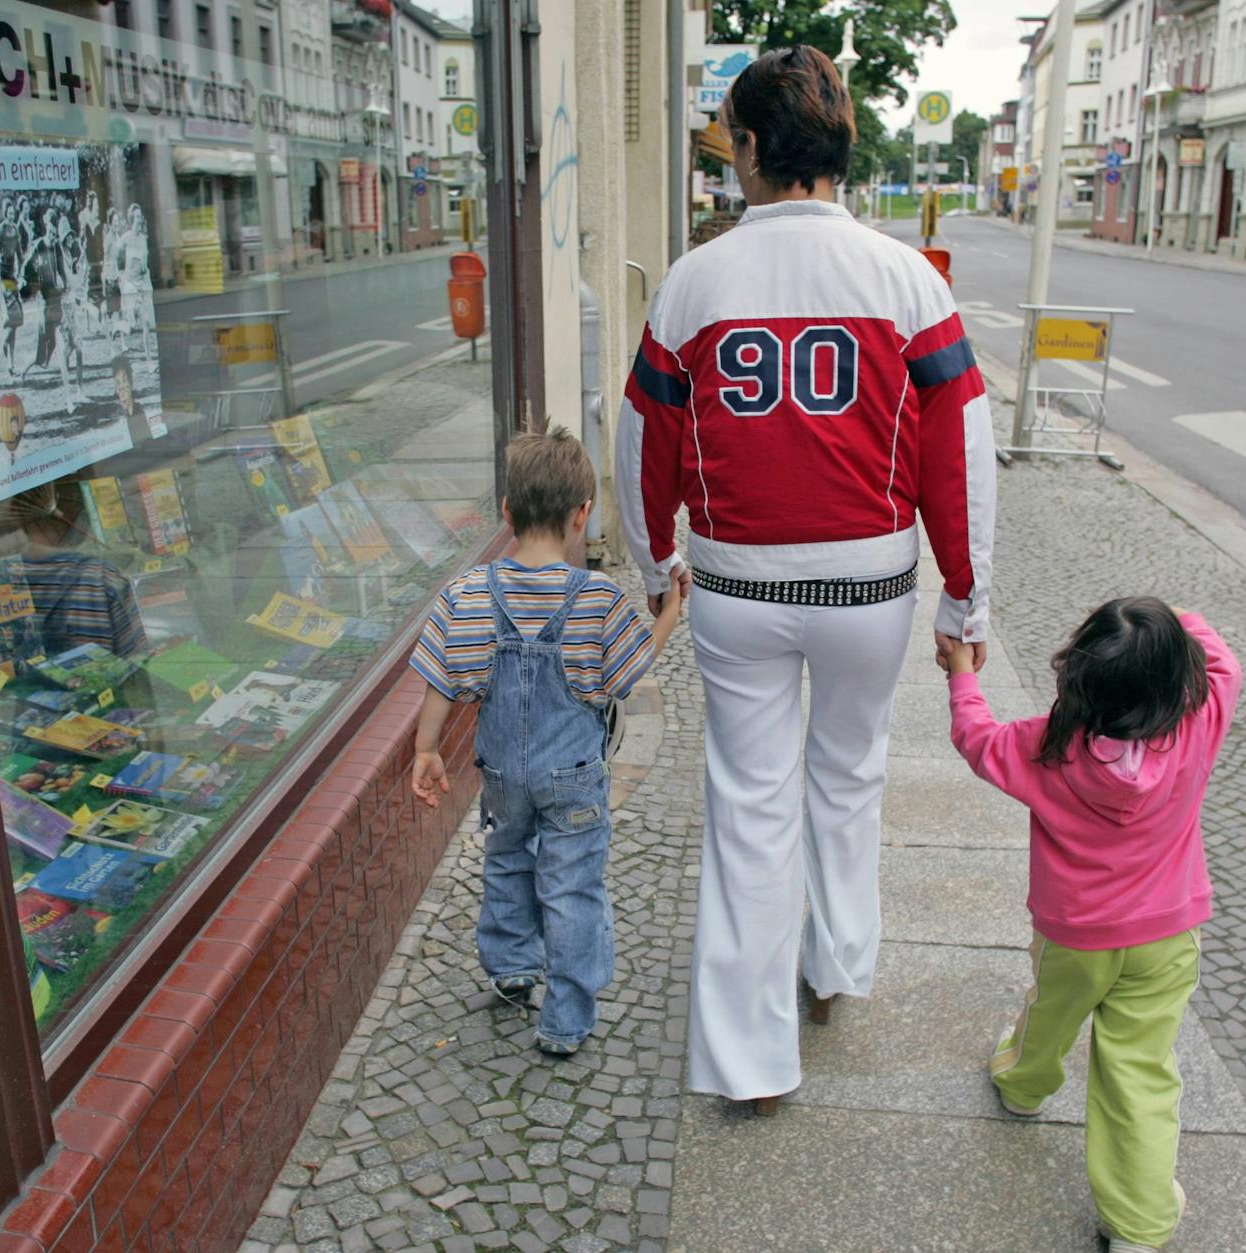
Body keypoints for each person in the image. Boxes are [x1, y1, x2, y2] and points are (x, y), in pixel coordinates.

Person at [614, 44, 995, 1113]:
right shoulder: (907, 281)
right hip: (868, 584)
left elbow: (641, 442)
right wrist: (964, 599)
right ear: (839, 147)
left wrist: (657, 561)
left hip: (737, 583)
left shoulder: (693, 282)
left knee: (749, 803)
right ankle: (835, 964)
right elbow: (960, 453)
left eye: (728, 140)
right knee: (849, 774)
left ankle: (747, 1057)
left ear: (747, 147)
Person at [945, 598, 1241, 1253]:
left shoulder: (1046, 744)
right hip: (1167, 934)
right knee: (1139, 1071)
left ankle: (1023, 1085)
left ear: (1078, 677)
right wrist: (1174, 619)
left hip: (1074, 933)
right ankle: (1138, 1222)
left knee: (1049, 1013)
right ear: (1180, 678)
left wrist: (961, 674)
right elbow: (1224, 661)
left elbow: (976, 738)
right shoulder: (1202, 718)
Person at [409, 430, 684, 1058]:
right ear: (582, 514)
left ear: (507, 511)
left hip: (503, 772)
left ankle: (511, 967)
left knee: (507, 858)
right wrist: (669, 612)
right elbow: (628, 673)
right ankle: (565, 1018)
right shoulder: (598, 599)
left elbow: (443, 677)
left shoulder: (468, 593)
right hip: (574, 777)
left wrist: (426, 749)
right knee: (572, 886)